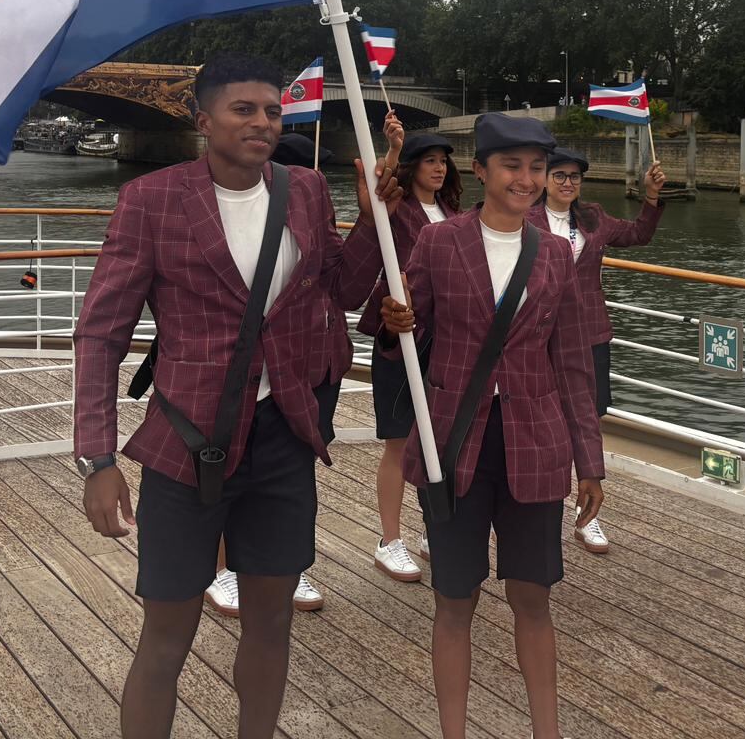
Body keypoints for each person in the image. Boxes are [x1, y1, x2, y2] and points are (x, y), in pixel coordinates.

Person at [73, 52, 400, 739]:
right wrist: (97, 461)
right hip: (188, 441)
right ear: (204, 121)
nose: (261, 122)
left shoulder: (305, 190)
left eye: (272, 111)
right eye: (243, 110)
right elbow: (102, 333)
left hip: (284, 436)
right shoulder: (152, 200)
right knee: (167, 632)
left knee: (273, 622)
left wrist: (374, 224)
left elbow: (338, 292)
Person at [379, 114, 604, 739]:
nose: (526, 179)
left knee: (533, 598)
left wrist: (590, 461)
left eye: (536, 167)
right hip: (452, 443)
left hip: (535, 442)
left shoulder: (558, 254)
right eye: (512, 166)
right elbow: (405, 337)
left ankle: (546, 731)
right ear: (481, 172)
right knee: (455, 600)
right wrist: (396, 321)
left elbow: (572, 364)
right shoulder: (441, 242)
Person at [201, 118, 397, 618]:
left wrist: (374, 222)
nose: (313, 185)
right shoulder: (233, 217)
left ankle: (289, 563)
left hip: (318, 365)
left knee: (295, 469)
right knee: (228, 467)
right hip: (247, 369)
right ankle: (225, 568)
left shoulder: (314, 211)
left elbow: (347, 287)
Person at [531, 146, 665, 554]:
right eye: (560, 175)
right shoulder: (525, 218)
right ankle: (539, 503)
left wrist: (652, 197)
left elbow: (639, 234)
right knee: (539, 417)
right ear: (544, 180)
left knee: (587, 419)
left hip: (589, 333)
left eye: (574, 176)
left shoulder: (593, 218)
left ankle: (586, 514)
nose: (568, 183)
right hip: (535, 335)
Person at [357, 130, 463, 581]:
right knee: (399, 441)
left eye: (443, 161)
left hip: (448, 334)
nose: (438, 168)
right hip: (400, 331)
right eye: (429, 161)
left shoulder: (456, 213)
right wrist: (395, 151)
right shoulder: (397, 211)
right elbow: (379, 185)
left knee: (438, 441)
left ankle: (429, 530)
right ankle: (389, 539)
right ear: (413, 167)